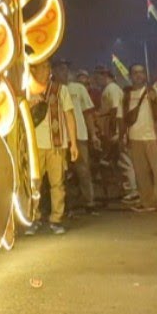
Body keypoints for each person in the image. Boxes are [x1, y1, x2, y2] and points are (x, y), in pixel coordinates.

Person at [27, 60, 78, 235]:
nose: (45, 71)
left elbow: (69, 115)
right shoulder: (27, 92)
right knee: (34, 185)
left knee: (57, 184)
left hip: (57, 144)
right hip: (34, 147)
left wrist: (73, 143)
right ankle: (34, 218)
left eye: (47, 67)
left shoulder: (60, 90)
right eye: (40, 68)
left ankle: (56, 219)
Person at [119, 64, 157, 212]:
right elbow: (121, 118)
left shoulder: (154, 93)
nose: (138, 75)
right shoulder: (126, 96)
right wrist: (121, 137)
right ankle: (147, 202)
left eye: (141, 72)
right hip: (134, 138)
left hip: (153, 136)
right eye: (135, 73)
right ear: (130, 76)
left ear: (145, 75)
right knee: (141, 173)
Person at [57, 61, 96, 210]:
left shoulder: (78, 89)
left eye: (65, 69)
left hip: (79, 135)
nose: (63, 72)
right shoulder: (53, 90)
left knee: (83, 169)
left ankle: (89, 201)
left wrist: (93, 134)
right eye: (59, 70)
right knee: (63, 173)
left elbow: (88, 113)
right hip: (60, 138)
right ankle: (67, 204)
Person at [94, 66, 135, 203]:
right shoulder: (111, 89)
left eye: (98, 77)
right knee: (118, 161)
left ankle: (132, 190)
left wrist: (115, 132)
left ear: (105, 75)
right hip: (115, 129)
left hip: (116, 129)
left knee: (125, 161)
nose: (97, 80)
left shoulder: (111, 89)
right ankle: (126, 189)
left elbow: (116, 110)